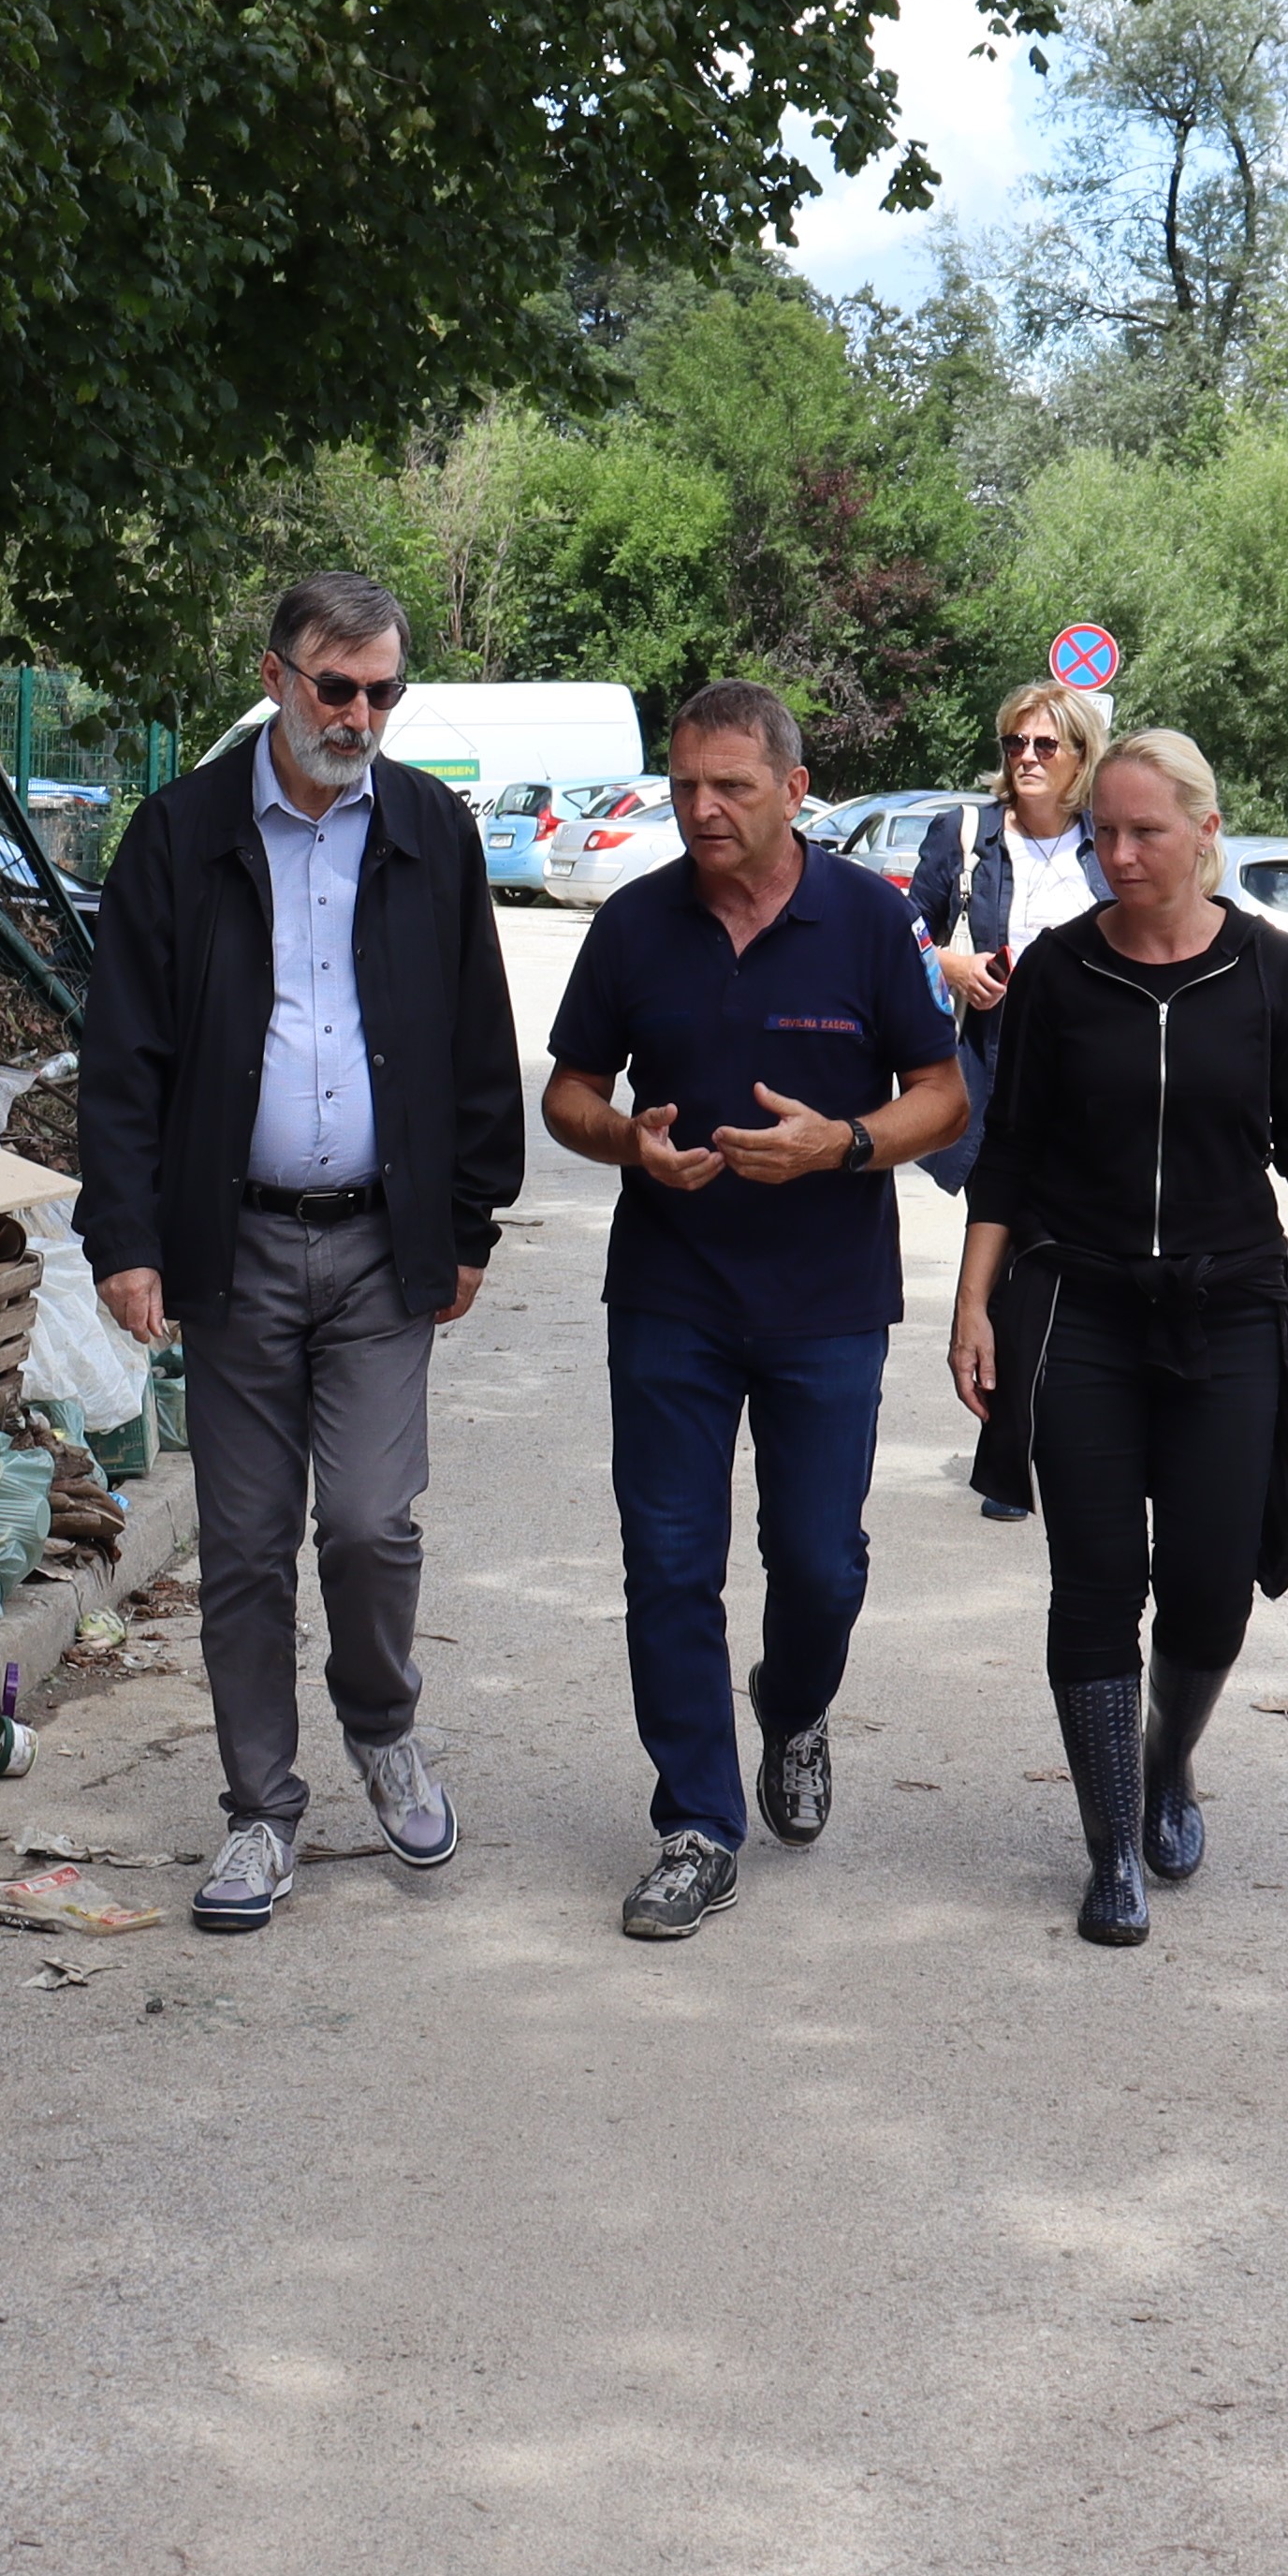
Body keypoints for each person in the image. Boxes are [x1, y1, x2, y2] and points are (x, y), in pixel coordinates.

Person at [77, 572, 521, 1937]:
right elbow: (127, 1055)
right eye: (338, 687)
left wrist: (473, 1217)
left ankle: (382, 1729)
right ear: (274, 677)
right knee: (249, 1545)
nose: (362, 714)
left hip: (386, 1246)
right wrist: (127, 1236)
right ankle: (261, 1813)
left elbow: (473, 1038)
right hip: (238, 1242)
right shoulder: (182, 835)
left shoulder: (430, 832)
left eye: (385, 690)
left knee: (376, 1525)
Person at [947, 727, 1288, 1946]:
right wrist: (971, 1304)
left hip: (1230, 1308)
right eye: (1104, 832)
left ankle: (1165, 1763)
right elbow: (1011, 1153)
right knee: (1094, 1584)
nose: (1121, 852)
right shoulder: (1054, 972)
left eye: (1146, 830)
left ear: (1207, 832)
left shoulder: (1267, 969)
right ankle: (1108, 1854)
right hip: (1080, 1305)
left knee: (1208, 1587)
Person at [539, 681, 969, 1942]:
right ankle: (696, 1825)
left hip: (826, 1299)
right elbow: (568, 1093)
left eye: (729, 786)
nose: (701, 809)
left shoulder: (865, 923)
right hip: (670, 1293)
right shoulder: (633, 924)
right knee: (669, 1565)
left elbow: (940, 1098)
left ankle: (791, 1705)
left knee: (820, 1563)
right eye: (683, 786)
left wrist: (843, 1143)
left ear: (793, 790)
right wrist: (628, 1142)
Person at [905, 680, 1112, 1515]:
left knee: (1086, 1255)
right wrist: (949, 966)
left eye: (1044, 746)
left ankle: (1083, 1433)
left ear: (1079, 759)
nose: (1025, 759)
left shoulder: (1108, 843)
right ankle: (1006, 1453)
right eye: (1013, 745)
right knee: (1001, 1251)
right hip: (997, 1069)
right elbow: (901, 925)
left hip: (1096, 1080)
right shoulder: (963, 835)